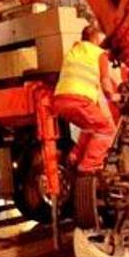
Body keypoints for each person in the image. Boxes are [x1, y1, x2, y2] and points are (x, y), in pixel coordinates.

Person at [52, 25, 119, 173]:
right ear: (95, 37)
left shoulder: (74, 50)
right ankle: (90, 165)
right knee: (106, 129)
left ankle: (75, 157)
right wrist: (115, 97)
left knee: (90, 128)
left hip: (60, 101)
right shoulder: (99, 54)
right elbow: (106, 84)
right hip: (79, 100)